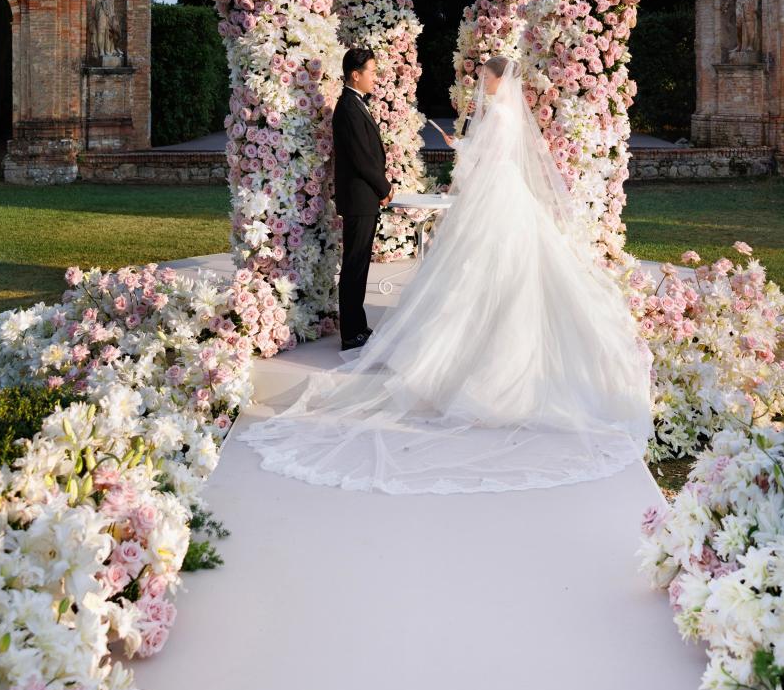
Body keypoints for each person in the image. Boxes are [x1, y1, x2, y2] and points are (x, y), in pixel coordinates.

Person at [241, 56, 653, 494]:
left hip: (497, 197)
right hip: (507, 196)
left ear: (498, 80)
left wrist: (460, 147)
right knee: (503, 269)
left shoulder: (498, 114)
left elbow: (485, 160)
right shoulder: (508, 114)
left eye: (486, 78)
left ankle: (472, 358)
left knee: (482, 269)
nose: (482, 84)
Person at [331, 47, 392, 350]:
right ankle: (350, 333)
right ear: (356, 75)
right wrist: (384, 187)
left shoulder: (356, 104)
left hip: (363, 198)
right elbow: (361, 158)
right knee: (354, 265)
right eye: (372, 71)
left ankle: (358, 326)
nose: (375, 77)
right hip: (359, 198)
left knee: (360, 266)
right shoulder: (347, 107)